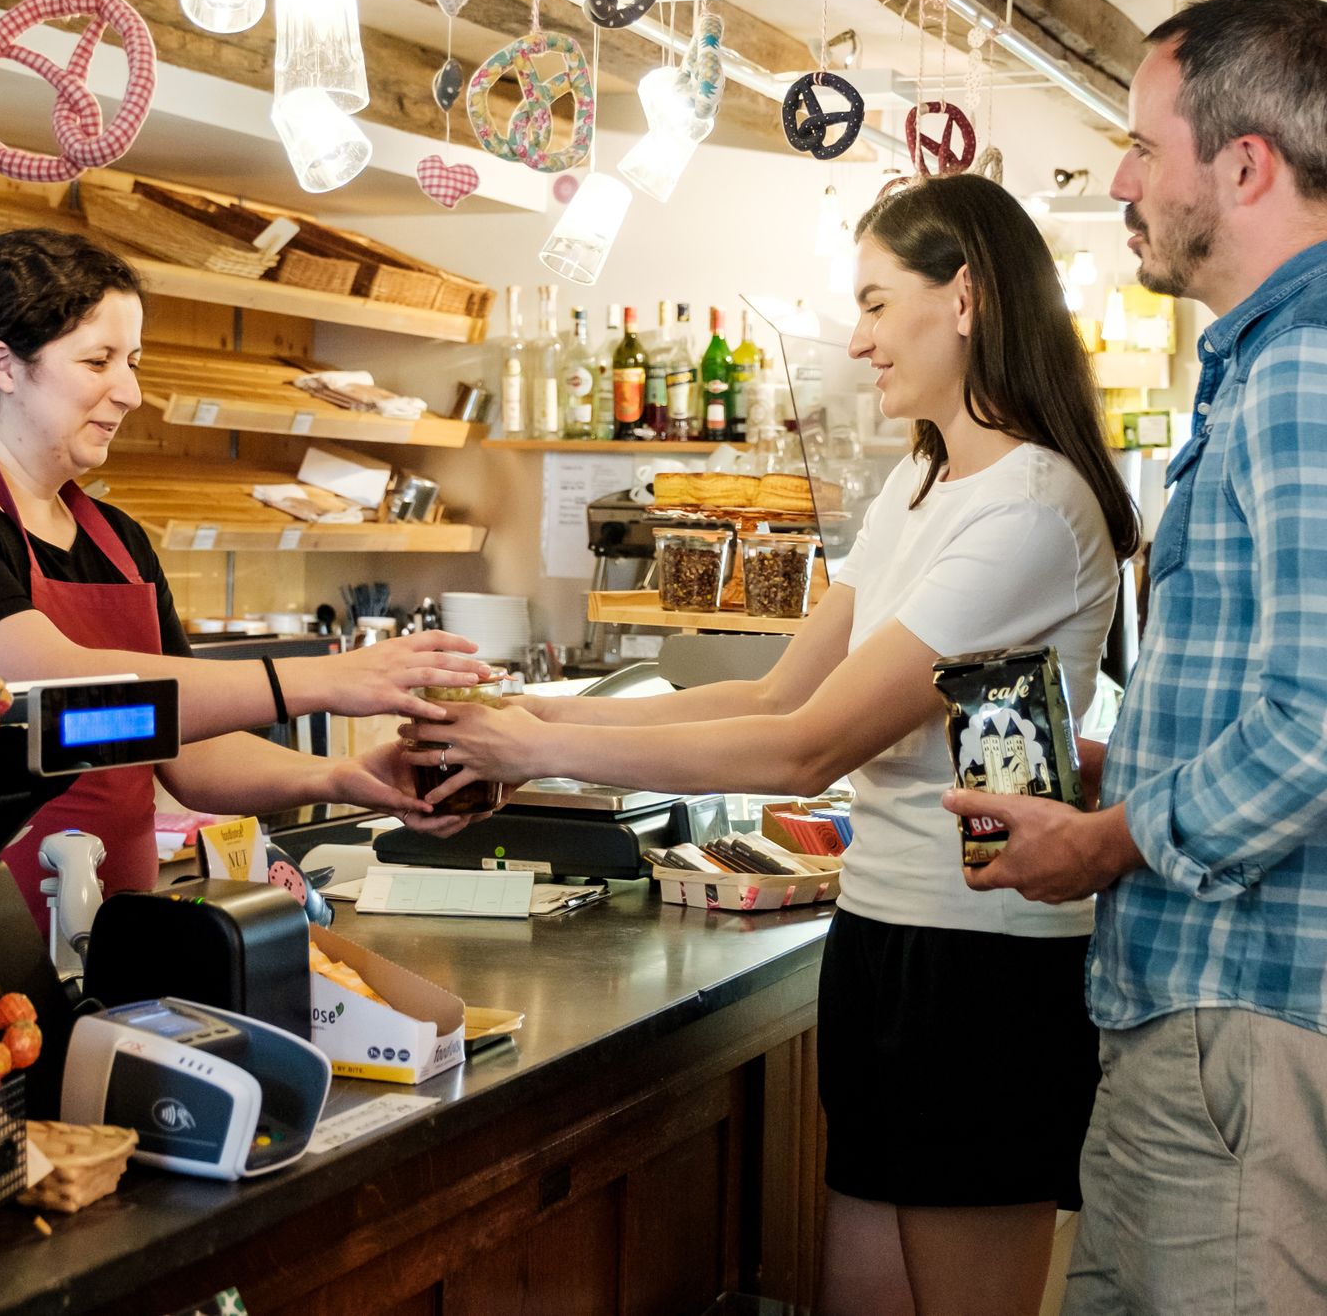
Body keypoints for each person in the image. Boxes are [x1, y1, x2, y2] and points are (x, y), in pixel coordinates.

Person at [407, 174, 1140, 1316]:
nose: (857, 339)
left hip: (984, 968)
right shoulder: (920, 482)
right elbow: (772, 685)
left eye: (875, 302)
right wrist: (535, 718)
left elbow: (803, 748)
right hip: (883, 935)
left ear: (966, 297)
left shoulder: (1034, 508)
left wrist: (533, 754)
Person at [949, 0, 1327, 1316]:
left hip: (1255, 1030)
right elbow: (1287, 695)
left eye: (1142, 143)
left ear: (1244, 165)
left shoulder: (1318, 364)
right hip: (1209, 1027)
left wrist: (1108, 836)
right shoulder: (1281, 362)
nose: (1121, 179)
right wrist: (1110, 768)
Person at [0, 227, 481, 927]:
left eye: (132, 360)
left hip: (101, 938)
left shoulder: (117, 540)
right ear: (3, 364)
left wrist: (340, 777)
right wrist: (323, 680)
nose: (129, 391)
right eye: (98, 360)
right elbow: (57, 704)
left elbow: (182, 745)